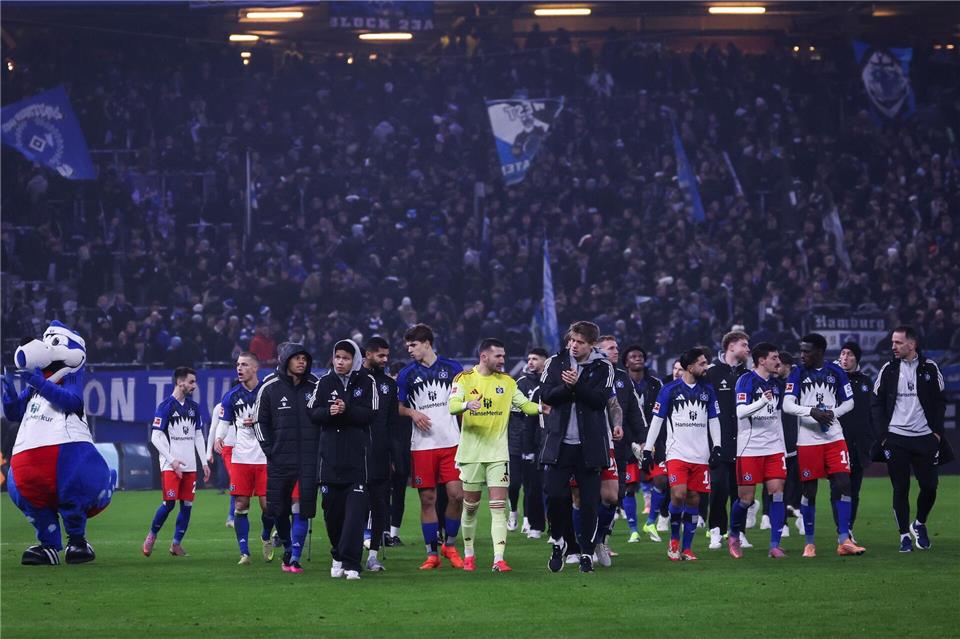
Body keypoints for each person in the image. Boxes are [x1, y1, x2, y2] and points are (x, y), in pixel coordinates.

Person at [449, 338, 541, 572]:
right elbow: (452, 406)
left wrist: (542, 408)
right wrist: (467, 405)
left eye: (503, 355)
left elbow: (525, 406)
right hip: (471, 454)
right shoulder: (464, 379)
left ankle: (498, 559)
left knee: (498, 507)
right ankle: (469, 554)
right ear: (484, 357)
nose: (503, 360)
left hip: (498, 454)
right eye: (498, 356)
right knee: (470, 507)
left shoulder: (508, 383)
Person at [540, 321, 615, 573]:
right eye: (571, 340)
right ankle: (560, 541)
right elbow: (546, 395)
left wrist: (577, 386)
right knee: (556, 496)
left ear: (592, 344)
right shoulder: (555, 361)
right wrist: (567, 387)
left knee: (590, 502)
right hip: (559, 443)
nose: (573, 345)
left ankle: (585, 552)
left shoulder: (603, 366)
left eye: (580, 342)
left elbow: (599, 401)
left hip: (590, 445)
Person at [782, 333, 865, 557]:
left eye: (807, 351)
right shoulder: (797, 373)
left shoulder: (836, 372)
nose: (802, 355)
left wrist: (831, 414)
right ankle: (810, 542)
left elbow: (850, 402)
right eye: (801, 350)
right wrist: (812, 412)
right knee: (809, 490)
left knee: (844, 484)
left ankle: (844, 540)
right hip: (808, 440)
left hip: (834, 437)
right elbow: (787, 405)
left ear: (819, 351)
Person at [872, 326, 953, 552]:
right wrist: (883, 436)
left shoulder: (930, 367)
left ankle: (919, 523)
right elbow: (876, 404)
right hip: (896, 438)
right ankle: (904, 536)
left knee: (929, 487)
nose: (893, 347)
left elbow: (940, 402)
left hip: (925, 437)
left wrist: (936, 434)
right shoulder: (887, 370)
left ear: (912, 344)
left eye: (898, 342)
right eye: (893, 342)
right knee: (900, 487)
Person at [396, 324, 466, 570]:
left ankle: (450, 545)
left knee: (458, 495)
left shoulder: (453, 368)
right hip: (422, 446)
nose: (409, 349)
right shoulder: (406, 374)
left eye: (413, 345)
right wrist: (412, 413)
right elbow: (399, 407)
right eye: (408, 346)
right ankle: (432, 554)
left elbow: (464, 402)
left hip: (451, 443)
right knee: (428, 499)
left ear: (427, 343)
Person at [641, 348, 721, 561]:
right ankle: (674, 539)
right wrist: (648, 450)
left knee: (694, 499)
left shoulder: (708, 391)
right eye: (702, 364)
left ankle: (687, 548)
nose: (706, 367)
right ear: (690, 366)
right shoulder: (670, 390)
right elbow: (657, 420)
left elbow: (714, 420)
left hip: (701, 455)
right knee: (678, 494)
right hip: (676, 453)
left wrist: (717, 447)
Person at [310, 339, 377, 580]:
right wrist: (329, 412)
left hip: (357, 460)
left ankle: (352, 564)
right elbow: (313, 413)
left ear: (355, 360)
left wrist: (346, 409)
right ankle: (337, 554)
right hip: (329, 460)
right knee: (332, 515)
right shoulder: (324, 382)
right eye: (337, 357)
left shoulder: (366, 382)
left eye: (346, 358)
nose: (340, 362)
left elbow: (370, 414)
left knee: (355, 516)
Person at [253, 342, 321, 573]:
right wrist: (270, 450)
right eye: (296, 357)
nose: (301, 361)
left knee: (302, 507)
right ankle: (286, 543)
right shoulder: (269, 388)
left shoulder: (316, 386)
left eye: (304, 358)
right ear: (285, 360)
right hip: (280, 460)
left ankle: (294, 556)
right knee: (277, 509)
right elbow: (259, 422)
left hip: (309, 460)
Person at [727, 343, 788, 559]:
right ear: (761, 360)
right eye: (774, 357)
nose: (777, 361)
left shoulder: (777, 383)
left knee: (777, 494)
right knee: (746, 499)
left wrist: (783, 448)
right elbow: (740, 412)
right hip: (750, 448)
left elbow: (778, 417)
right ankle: (734, 535)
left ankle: (774, 544)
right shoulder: (746, 381)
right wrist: (762, 401)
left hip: (773, 447)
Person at [142, 367, 211, 557]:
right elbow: (155, 437)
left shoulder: (194, 408)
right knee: (169, 503)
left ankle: (176, 544)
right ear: (180, 383)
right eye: (191, 382)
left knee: (187, 505)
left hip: (190, 465)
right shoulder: (165, 407)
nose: (194, 386)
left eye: (194, 382)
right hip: (170, 464)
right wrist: (172, 461)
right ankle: (152, 536)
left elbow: (198, 435)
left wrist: (204, 461)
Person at [214, 352, 275, 565]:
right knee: (241, 503)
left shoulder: (267, 392)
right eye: (238, 365)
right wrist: (219, 437)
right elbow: (224, 421)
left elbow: (277, 420)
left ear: (255, 368)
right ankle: (245, 552)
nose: (239, 368)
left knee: (268, 506)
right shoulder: (231, 396)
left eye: (245, 365)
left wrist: (259, 423)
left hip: (264, 457)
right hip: (241, 457)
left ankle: (266, 536)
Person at [598, 336, 645, 548]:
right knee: (590, 495)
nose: (616, 351)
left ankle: (603, 540)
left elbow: (635, 411)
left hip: (619, 446)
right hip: (594, 445)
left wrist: (643, 440)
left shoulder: (622, 377)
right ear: (598, 351)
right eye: (611, 348)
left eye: (617, 347)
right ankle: (584, 541)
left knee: (617, 495)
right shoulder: (591, 374)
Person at [705, 330, 750, 551]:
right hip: (718, 442)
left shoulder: (748, 375)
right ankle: (716, 530)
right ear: (730, 346)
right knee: (719, 488)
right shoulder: (711, 373)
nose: (748, 349)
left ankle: (739, 532)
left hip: (743, 442)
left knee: (740, 490)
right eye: (744, 344)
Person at [362, 336, 399, 571]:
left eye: (387, 355)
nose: (385, 360)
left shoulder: (389, 384)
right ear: (368, 354)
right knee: (354, 506)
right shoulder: (355, 381)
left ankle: (373, 556)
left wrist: (394, 458)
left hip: (380, 454)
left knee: (379, 506)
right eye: (380, 356)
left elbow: (393, 424)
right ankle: (349, 553)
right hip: (356, 454)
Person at [624, 345, 667, 542]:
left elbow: (662, 413)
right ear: (626, 362)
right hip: (628, 442)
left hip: (654, 441)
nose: (638, 358)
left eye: (640, 356)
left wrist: (652, 441)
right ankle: (633, 528)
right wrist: (633, 441)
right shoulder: (620, 384)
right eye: (633, 356)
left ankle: (650, 521)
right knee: (629, 486)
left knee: (661, 480)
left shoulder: (655, 384)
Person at [832, 341, 874, 543]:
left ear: (857, 358)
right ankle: (841, 529)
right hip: (836, 443)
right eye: (842, 353)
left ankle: (848, 527)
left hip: (858, 446)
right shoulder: (833, 380)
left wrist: (871, 438)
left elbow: (870, 413)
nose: (845, 358)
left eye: (849, 354)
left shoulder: (866, 382)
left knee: (854, 490)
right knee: (837, 487)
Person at [512, 347, 548, 538]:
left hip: (554, 443)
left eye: (535, 358)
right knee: (532, 486)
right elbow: (525, 421)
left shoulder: (555, 383)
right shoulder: (524, 385)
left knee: (554, 489)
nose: (530, 362)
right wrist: (526, 448)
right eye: (529, 359)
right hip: (534, 444)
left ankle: (555, 528)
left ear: (545, 361)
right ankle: (534, 524)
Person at [386, 360, 411, 547]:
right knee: (387, 493)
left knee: (397, 492)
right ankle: (387, 532)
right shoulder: (387, 394)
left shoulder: (408, 396)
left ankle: (391, 533)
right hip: (391, 448)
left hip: (402, 448)